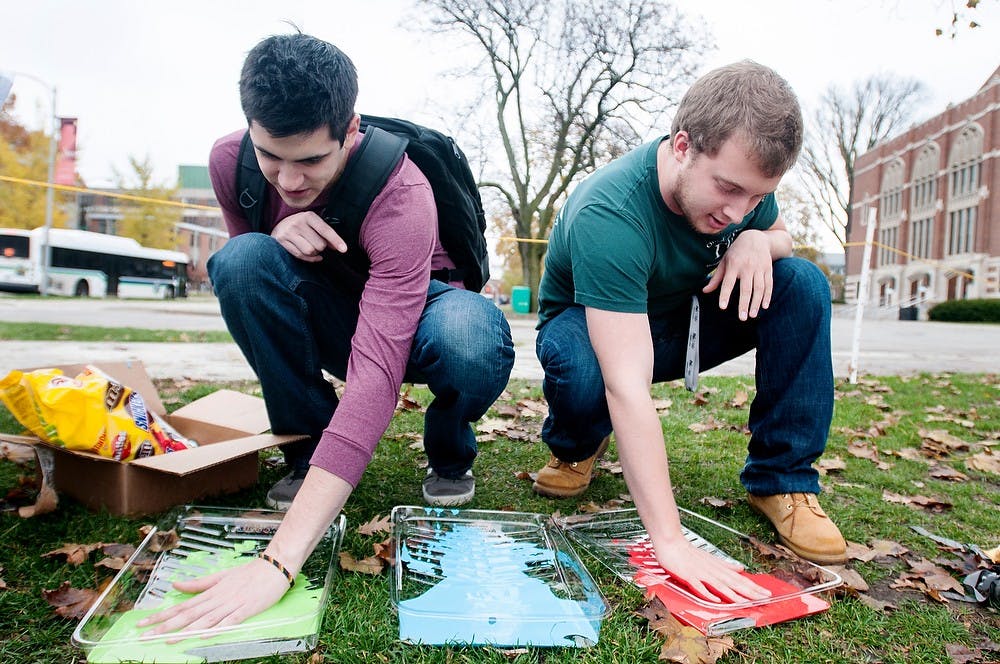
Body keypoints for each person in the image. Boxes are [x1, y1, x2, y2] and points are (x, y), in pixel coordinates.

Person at [139, 31, 513, 633]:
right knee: (240, 261)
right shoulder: (229, 162)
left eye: (311, 160)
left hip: (424, 314)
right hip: (331, 299)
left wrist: (279, 561)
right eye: (271, 156)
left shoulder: (403, 193)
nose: (287, 181)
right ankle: (306, 452)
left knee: (470, 334)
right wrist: (274, 237)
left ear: (351, 129)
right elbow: (254, 281)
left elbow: (377, 374)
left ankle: (449, 449)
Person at [530, 60, 847, 603]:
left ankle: (783, 480)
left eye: (754, 196)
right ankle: (577, 444)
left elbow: (781, 236)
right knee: (589, 372)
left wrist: (758, 241)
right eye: (728, 189)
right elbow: (627, 385)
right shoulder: (610, 212)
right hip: (586, 325)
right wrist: (670, 542)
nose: (738, 210)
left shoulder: (743, 193)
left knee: (801, 284)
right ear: (682, 146)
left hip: (685, 319)